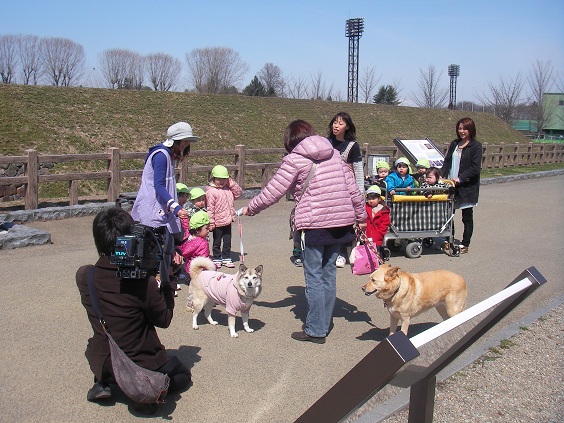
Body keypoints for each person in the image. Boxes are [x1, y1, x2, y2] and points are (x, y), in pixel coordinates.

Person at [242, 120, 366, 344]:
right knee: (329, 274)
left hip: (315, 224)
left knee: (314, 278)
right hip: (341, 224)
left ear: (290, 141)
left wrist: (250, 208)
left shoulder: (294, 159)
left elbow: (273, 191)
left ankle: (316, 329)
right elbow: (353, 189)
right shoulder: (335, 155)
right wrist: (361, 217)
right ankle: (324, 323)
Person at [76, 207, 191, 414]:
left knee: (99, 339)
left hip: (104, 360)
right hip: (143, 362)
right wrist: (167, 280)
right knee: (182, 376)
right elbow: (164, 319)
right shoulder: (142, 282)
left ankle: (105, 382)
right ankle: (142, 391)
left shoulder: (86, 275)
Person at [131, 121, 198, 244]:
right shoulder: (161, 156)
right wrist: (176, 207)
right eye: (184, 140)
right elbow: (159, 185)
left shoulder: (168, 155)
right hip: (153, 208)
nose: (187, 144)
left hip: (163, 207)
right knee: (155, 246)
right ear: (176, 140)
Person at [327, 112, 365, 268]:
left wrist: (360, 191)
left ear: (347, 127)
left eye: (340, 123)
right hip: (328, 187)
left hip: (346, 189)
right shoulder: (326, 142)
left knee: (346, 221)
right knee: (330, 220)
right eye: (335, 122)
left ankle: (342, 253)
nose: (336, 126)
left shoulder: (352, 146)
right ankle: (330, 250)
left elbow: (358, 169)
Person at [441, 117, 482, 254]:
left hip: (467, 187)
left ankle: (465, 244)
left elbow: (475, 168)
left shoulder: (476, 146)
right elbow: (447, 162)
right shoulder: (455, 143)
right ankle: (449, 239)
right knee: (447, 214)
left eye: (464, 128)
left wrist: (460, 178)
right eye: (459, 128)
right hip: (451, 185)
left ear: (470, 129)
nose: (461, 131)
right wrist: (441, 176)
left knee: (467, 217)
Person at [205, 165, 243, 269]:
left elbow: (239, 193)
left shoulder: (228, 189)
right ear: (213, 178)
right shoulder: (211, 191)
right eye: (219, 179)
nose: (221, 182)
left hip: (227, 220)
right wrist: (211, 222)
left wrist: (231, 183)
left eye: (224, 179)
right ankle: (217, 258)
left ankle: (226, 257)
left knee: (227, 241)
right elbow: (210, 208)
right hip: (217, 222)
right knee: (217, 242)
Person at [177, 210, 211, 275]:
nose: (208, 231)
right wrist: (211, 267)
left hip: (189, 269)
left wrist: (184, 218)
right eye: (206, 228)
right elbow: (204, 259)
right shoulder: (203, 243)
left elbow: (186, 226)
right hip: (198, 272)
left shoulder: (188, 235)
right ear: (197, 230)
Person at [364, 185, 391, 254]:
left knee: (376, 253)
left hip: (377, 235)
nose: (371, 201)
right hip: (366, 234)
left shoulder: (383, 210)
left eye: (373, 199)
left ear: (379, 199)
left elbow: (385, 223)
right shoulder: (365, 208)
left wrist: (380, 233)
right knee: (366, 252)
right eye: (369, 199)